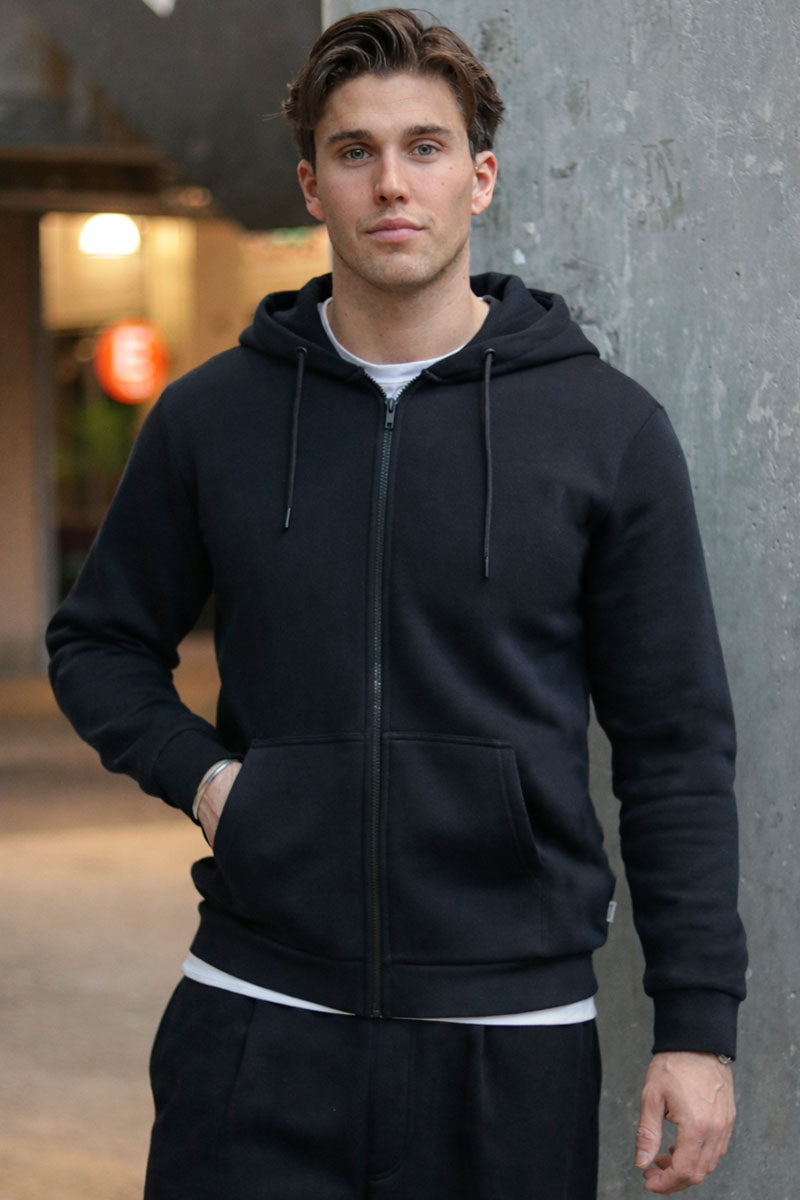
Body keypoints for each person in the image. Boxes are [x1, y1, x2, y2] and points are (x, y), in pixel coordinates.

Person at [46, 9, 747, 1198]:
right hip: (257, 1013)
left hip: (508, 1036)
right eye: (354, 151)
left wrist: (694, 1026)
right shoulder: (213, 417)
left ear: (480, 177)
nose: (390, 183)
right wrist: (213, 784)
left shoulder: (603, 431)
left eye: (424, 147)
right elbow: (98, 641)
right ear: (309, 186)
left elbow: (673, 744)